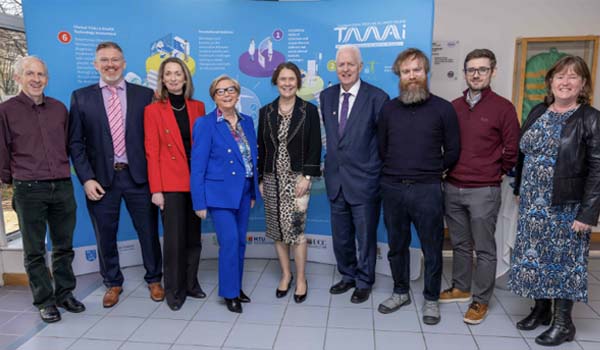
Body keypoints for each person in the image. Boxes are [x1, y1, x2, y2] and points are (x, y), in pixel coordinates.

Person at [509, 55, 600, 346]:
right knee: (535, 259)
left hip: (567, 206)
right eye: (560, 76)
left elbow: (598, 169)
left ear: (583, 83)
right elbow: (524, 153)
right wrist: (520, 187)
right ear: (550, 81)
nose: (565, 82)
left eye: (573, 76)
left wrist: (588, 213)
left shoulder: (590, 118)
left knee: (564, 265)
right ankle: (541, 309)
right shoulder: (538, 111)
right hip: (533, 206)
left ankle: (564, 324)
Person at [69, 41, 163, 308]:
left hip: (138, 178)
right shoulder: (81, 97)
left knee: (148, 232)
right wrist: (86, 178)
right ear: (95, 65)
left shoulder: (144, 95)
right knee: (105, 235)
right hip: (100, 180)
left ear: (124, 63)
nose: (110, 64)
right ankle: (112, 282)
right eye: (104, 60)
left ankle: (154, 278)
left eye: (115, 59)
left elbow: (153, 138)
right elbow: (75, 143)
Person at [377, 48, 460, 325]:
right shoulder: (388, 109)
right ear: (399, 76)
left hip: (427, 189)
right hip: (393, 189)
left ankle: (431, 299)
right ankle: (400, 291)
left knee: (432, 247)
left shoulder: (443, 109)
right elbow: (381, 148)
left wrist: (431, 171)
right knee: (396, 245)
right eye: (406, 71)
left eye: (417, 70)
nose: (412, 76)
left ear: (426, 73)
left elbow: (453, 150)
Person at [0, 56, 85, 323]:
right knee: (34, 250)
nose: (36, 79)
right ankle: (44, 301)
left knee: (63, 246)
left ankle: (65, 294)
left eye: (41, 74)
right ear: (18, 78)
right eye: (30, 74)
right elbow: (2, 150)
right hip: (28, 188)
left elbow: (71, 146)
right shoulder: (6, 111)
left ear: (47, 79)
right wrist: (10, 182)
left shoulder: (60, 109)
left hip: (61, 186)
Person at [440, 49, 520, 324]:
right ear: (465, 73)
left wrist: (494, 171)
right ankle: (461, 287)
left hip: (484, 189)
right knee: (460, 243)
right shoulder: (453, 107)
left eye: (482, 69)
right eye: (471, 69)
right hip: (452, 186)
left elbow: (513, 149)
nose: (476, 74)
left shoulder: (503, 108)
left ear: (492, 72)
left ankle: (480, 300)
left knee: (484, 248)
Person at [319, 45, 389, 304]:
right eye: (341, 65)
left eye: (350, 64)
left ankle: (364, 281)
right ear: (335, 68)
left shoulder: (378, 98)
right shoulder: (326, 96)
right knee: (341, 236)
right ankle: (347, 275)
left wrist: (375, 172)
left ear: (360, 67)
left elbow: (384, 142)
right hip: (336, 181)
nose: (345, 69)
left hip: (365, 181)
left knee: (365, 236)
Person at [191, 75, 260, 313]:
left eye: (230, 89)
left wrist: (251, 191)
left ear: (238, 93)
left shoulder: (248, 121)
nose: (226, 94)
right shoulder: (205, 124)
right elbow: (198, 166)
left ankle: (236, 287)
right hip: (219, 194)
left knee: (240, 242)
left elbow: (251, 160)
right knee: (229, 242)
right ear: (213, 97)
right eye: (220, 91)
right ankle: (229, 293)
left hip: (243, 192)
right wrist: (199, 201)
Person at [144, 57, 206, 311]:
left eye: (177, 73)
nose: (172, 78)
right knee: (174, 241)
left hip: (196, 181)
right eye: (167, 74)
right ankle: (174, 290)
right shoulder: (153, 110)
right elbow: (151, 150)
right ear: (162, 79)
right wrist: (156, 189)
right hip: (170, 182)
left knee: (194, 238)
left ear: (185, 77)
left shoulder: (198, 106)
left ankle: (191, 283)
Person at [257, 62, 322, 303]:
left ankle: (302, 278)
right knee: (277, 231)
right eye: (282, 79)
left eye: (291, 79)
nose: (287, 83)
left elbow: (316, 146)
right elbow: (261, 148)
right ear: (276, 82)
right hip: (273, 180)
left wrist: (307, 177)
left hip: (297, 180)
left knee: (296, 231)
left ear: (298, 82)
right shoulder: (266, 112)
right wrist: (262, 178)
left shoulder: (309, 111)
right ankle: (286, 275)